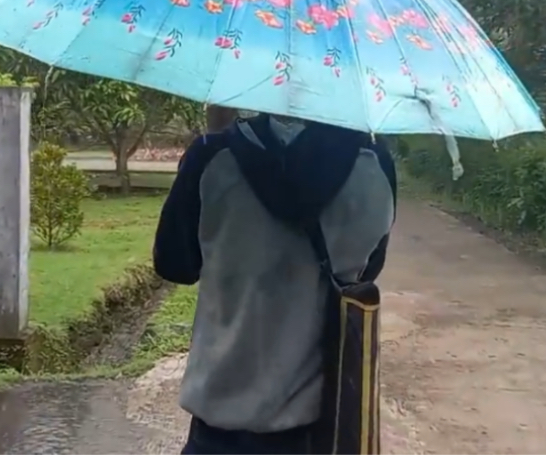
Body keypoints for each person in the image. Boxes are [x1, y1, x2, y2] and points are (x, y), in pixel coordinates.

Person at [153, 112, 397, 455]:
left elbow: (175, 265)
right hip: (319, 425)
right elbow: (367, 272)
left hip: (219, 418)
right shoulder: (375, 162)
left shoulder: (211, 156)